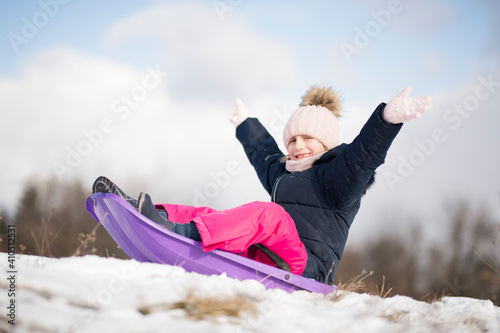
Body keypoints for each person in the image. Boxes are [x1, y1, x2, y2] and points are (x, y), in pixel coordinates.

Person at [93, 85, 432, 285]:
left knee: (268, 215)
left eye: (308, 139)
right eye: (293, 138)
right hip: (271, 256)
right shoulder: (283, 173)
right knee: (212, 214)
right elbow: (262, 152)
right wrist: (246, 124)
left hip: (307, 269)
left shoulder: (337, 178)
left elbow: (362, 157)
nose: (298, 146)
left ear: (326, 144)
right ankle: (148, 213)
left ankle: (179, 235)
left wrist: (386, 120)